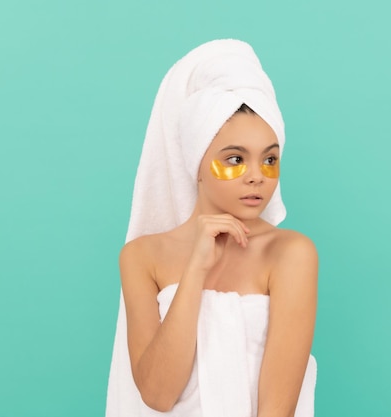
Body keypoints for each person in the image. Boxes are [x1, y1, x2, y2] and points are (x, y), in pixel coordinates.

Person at [106, 39, 317, 417]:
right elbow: (157, 394)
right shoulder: (141, 257)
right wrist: (195, 270)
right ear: (196, 162)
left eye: (269, 159)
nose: (258, 177)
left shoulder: (290, 254)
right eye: (235, 159)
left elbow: (278, 409)